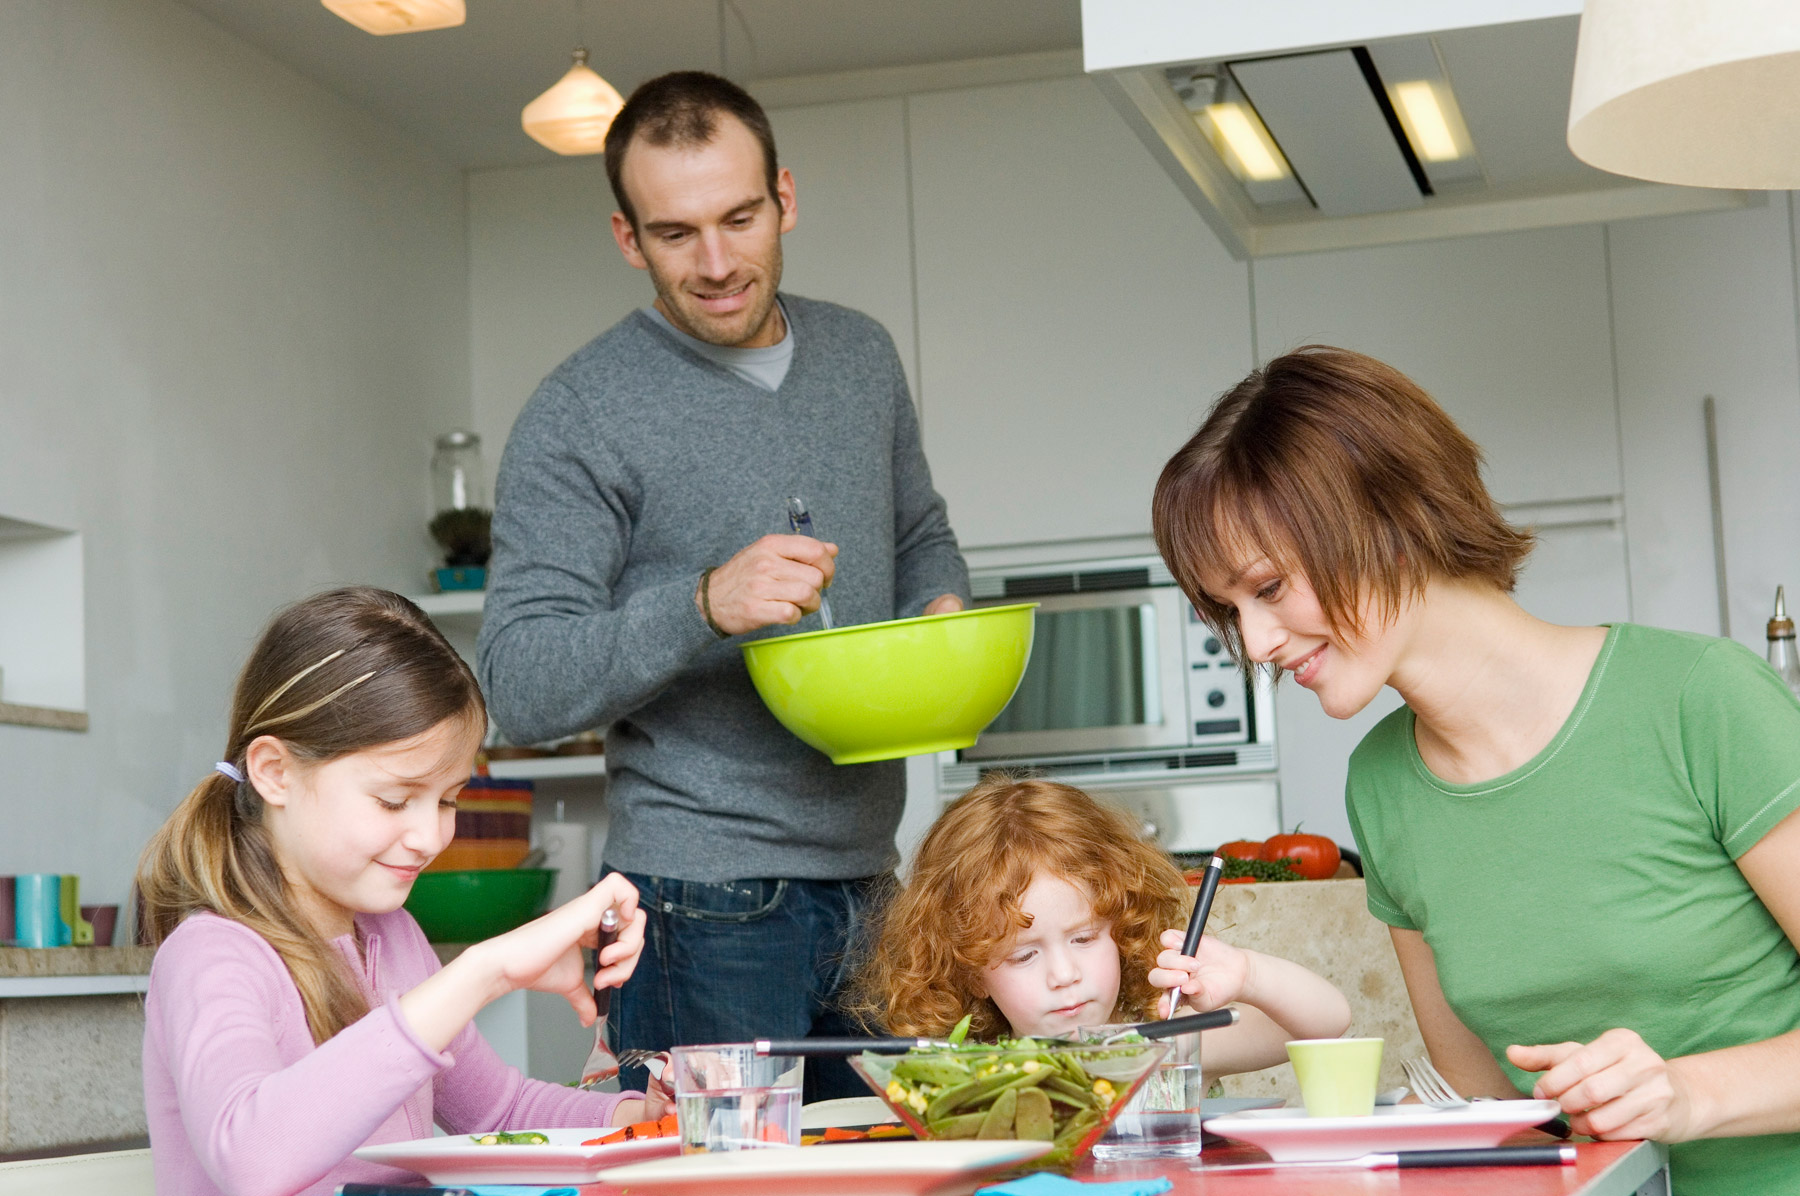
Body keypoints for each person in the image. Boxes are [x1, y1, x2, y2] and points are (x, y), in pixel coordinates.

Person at [1151, 344, 1800, 1196]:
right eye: (1233, 613)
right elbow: (1483, 1100)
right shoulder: (1383, 784)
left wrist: (1688, 1093)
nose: (1260, 645)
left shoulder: (1699, 700)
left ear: (1383, 517)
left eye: (1268, 588)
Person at [476, 70, 968, 1101]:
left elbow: (920, 530)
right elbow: (517, 681)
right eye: (675, 233)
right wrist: (700, 603)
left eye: (740, 218)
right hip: (696, 903)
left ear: (784, 196)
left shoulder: (861, 357)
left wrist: (941, 614)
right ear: (627, 237)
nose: (714, 263)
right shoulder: (580, 411)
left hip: (877, 883)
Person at [139, 588, 661, 1196]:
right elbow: (252, 1160)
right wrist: (482, 973)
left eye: (447, 800)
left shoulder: (394, 938)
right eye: (393, 800)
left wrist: (638, 1121)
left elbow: (502, 1115)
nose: (429, 836)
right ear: (275, 772)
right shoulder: (211, 955)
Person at [858, 776, 1351, 1065]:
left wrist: (1248, 974)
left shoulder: (1162, 1048)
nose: (1064, 975)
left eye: (1085, 938)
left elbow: (1325, 1026)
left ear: (1121, 927)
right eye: (1024, 954)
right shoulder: (968, 1072)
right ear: (970, 971)